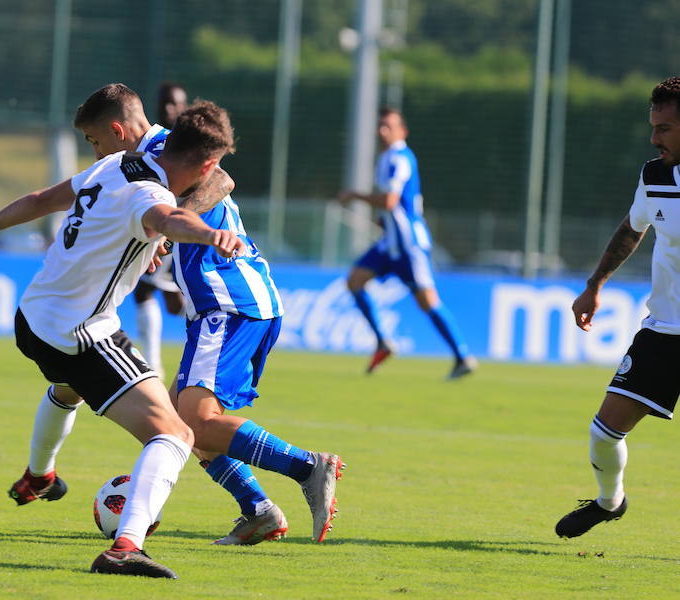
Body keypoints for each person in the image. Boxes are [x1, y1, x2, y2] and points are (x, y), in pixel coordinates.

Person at [0, 102, 243, 578]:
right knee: (175, 433)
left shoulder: (115, 164)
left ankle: (40, 475)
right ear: (206, 165)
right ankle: (125, 547)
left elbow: (40, 199)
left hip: (33, 317)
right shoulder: (147, 192)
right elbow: (169, 220)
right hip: (78, 332)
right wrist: (209, 234)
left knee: (68, 388)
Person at [77, 83, 345, 545]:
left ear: (117, 130)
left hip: (227, 299)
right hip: (223, 304)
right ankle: (258, 510)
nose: (97, 151)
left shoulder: (162, 147)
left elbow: (222, 180)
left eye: (96, 141)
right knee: (178, 425)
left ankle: (307, 466)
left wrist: (169, 227)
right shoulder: (143, 162)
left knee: (195, 422)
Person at [554, 76, 680, 539]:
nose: (654, 138)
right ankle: (611, 502)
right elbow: (633, 227)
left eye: (664, 128)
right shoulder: (655, 176)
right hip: (665, 332)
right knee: (603, 433)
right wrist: (594, 285)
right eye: (653, 126)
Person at [337, 108, 477, 379]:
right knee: (354, 280)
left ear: (403, 131)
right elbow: (395, 205)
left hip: (409, 245)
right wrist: (383, 221)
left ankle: (463, 356)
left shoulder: (400, 158)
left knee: (427, 300)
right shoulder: (387, 158)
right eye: (380, 125)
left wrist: (355, 195)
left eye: (388, 126)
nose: (382, 130)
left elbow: (390, 200)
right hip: (390, 243)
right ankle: (383, 341)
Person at [132, 82, 189, 378]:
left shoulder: (187, 144)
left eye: (176, 104)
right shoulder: (151, 142)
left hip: (176, 229)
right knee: (170, 300)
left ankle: (152, 362)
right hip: (162, 226)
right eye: (166, 102)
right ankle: (228, 317)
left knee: (144, 290)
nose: (170, 109)